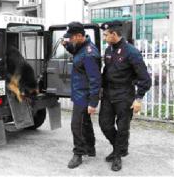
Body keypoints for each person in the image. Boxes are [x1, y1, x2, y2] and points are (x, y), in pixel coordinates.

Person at [99, 20, 151, 171]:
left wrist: (138, 99)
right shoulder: (109, 50)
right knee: (105, 124)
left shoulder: (131, 52)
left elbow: (145, 79)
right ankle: (120, 148)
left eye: (105, 35)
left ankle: (117, 156)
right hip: (109, 94)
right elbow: (107, 72)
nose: (104, 37)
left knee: (122, 128)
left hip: (124, 95)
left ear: (114, 34)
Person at [62, 22, 101, 169]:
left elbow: (95, 80)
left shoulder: (89, 54)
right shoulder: (82, 48)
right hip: (80, 93)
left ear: (79, 36)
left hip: (84, 96)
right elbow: (75, 52)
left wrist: (93, 102)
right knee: (85, 122)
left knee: (76, 125)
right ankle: (90, 148)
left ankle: (78, 153)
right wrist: (66, 45)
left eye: (71, 38)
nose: (70, 40)